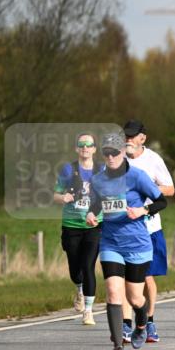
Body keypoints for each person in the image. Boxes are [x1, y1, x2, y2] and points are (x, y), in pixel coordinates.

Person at [86, 132, 167, 350]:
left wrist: (143, 211)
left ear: (123, 153)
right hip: (110, 242)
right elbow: (96, 203)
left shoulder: (137, 176)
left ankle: (142, 321)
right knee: (113, 292)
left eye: (114, 152)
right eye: (106, 153)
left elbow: (161, 201)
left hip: (137, 244)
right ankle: (117, 347)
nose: (110, 157)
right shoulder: (99, 179)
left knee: (135, 298)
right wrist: (92, 213)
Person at [123, 119, 175, 344]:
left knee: (147, 276)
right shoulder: (117, 159)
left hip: (150, 226)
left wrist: (146, 188)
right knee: (126, 278)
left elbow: (170, 189)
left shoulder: (153, 159)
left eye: (132, 136)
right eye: (125, 135)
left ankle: (150, 321)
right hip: (125, 228)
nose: (128, 139)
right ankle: (126, 325)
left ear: (142, 138)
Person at [53, 132, 102, 326]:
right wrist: (62, 198)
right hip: (71, 225)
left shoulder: (101, 170)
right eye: (81, 145)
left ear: (94, 149)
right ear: (76, 148)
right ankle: (79, 289)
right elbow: (55, 195)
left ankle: (88, 311)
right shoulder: (68, 169)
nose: (85, 148)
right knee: (75, 268)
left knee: (89, 266)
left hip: (93, 226)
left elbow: (107, 195)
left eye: (89, 145)